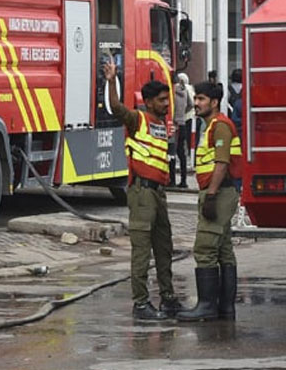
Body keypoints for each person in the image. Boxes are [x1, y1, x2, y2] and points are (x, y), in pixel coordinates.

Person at [103, 59, 183, 320]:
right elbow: (116, 108)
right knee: (141, 250)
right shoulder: (138, 119)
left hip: (158, 193)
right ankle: (141, 304)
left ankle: (168, 299)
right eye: (161, 100)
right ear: (148, 102)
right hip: (142, 193)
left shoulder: (161, 123)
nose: (167, 104)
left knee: (164, 247)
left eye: (167, 99)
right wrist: (111, 80)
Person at [177, 82, 242, 322]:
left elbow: (222, 163)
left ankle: (206, 306)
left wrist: (211, 195)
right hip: (221, 191)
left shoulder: (220, 126)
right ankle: (225, 308)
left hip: (219, 192)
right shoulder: (212, 126)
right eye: (196, 98)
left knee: (205, 248)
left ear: (214, 103)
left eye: (201, 99)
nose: (196, 103)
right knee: (223, 249)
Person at [171, 73, 189, 188]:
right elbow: (190, 104)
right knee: (182, 154)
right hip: (182, 123)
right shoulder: (184, 90)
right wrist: (182, 115)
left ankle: (172, 180)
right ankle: (183, 180)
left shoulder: (172, 92)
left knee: (171, 153)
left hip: (174, 124)